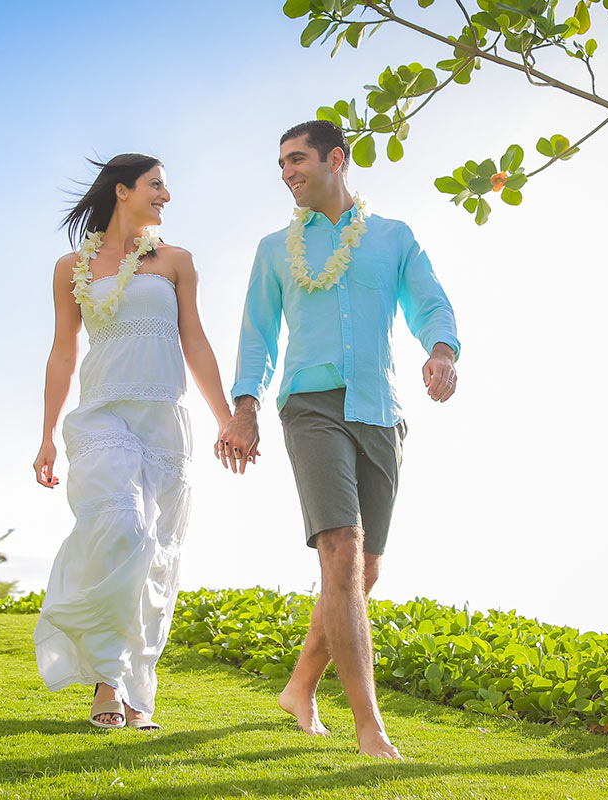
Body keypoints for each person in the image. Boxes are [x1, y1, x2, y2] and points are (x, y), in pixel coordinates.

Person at [218, 120, 460, 759]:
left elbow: (431, 303)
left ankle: (299, 686)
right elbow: (256, 335)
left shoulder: (392, 237)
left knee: (364, 566)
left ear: (336, 159)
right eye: (280, 163)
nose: (286, 172)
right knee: (342, 551)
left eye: (296, 159)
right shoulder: (275, 249)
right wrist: (244, 409)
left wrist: (440, 352)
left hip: (381, 409)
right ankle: (369, 727)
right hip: (310, 403)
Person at [32, 153, 232, 731]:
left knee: (157, 551)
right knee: (120, 528)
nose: (165, 195)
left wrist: (226, 419)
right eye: (156, 185)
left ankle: (134, 686)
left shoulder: (175, 261)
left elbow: (194, 342)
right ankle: (104, 679)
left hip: (163, 418)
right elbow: (63, 351)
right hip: (100, 414)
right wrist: (45, 434)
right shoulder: (72, 266)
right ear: (122, 191)